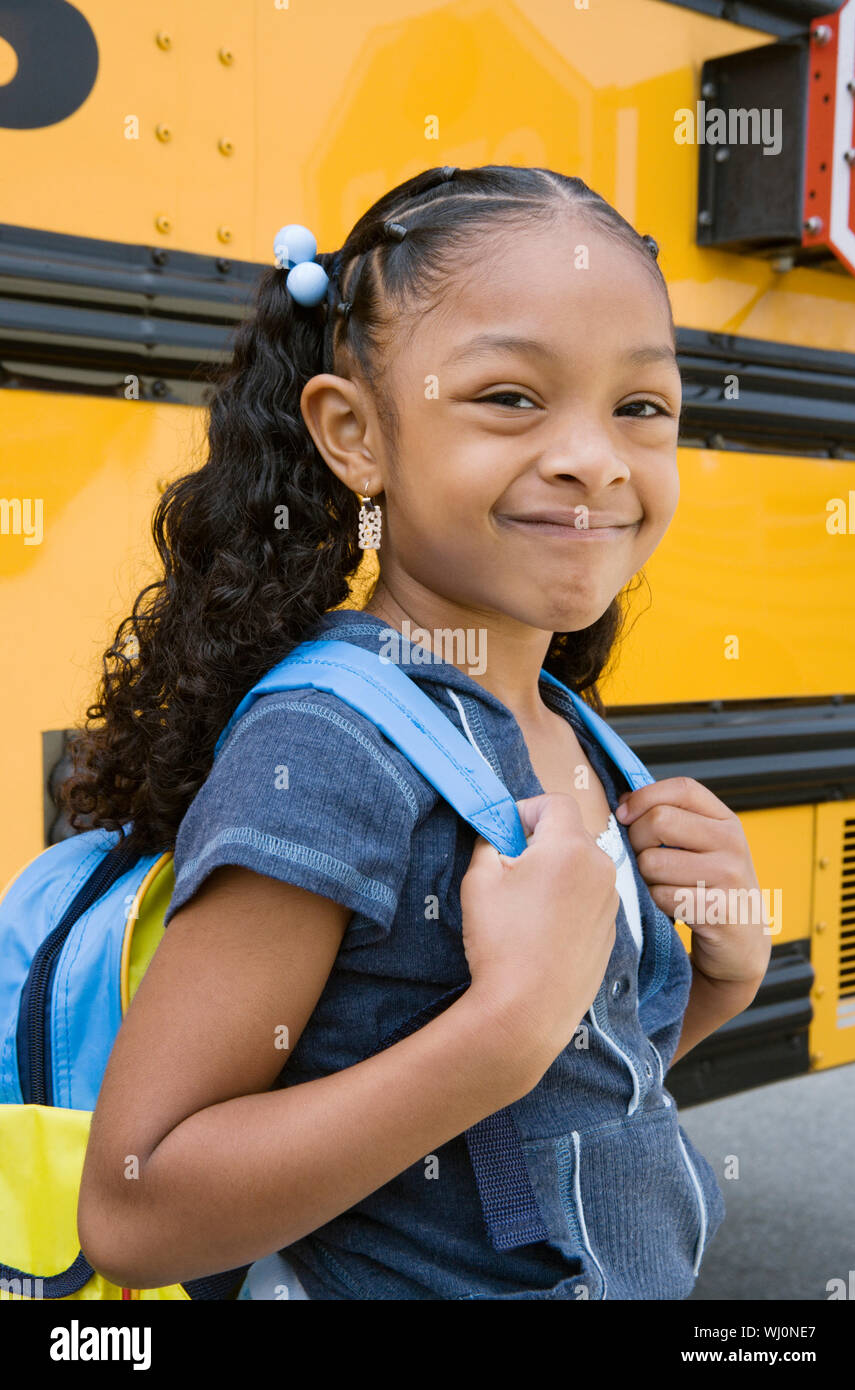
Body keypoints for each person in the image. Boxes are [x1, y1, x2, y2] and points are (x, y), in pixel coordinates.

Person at [70, 164, 771, 1300]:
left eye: (639, 407)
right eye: (508, 396)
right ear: (353, 436)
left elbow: (554, 1105)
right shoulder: (331, 751)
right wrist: (498, 1028)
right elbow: (137, 1209)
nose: (593, 457)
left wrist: (718, 987)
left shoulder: (567, 731)